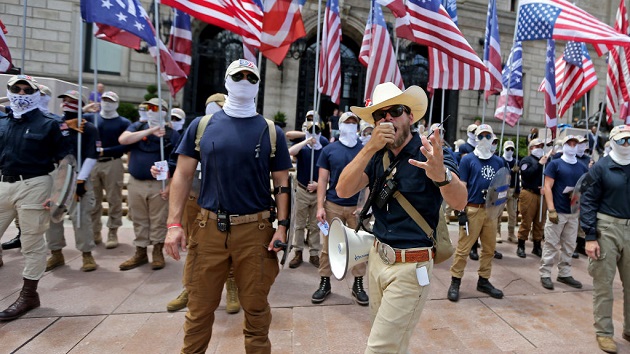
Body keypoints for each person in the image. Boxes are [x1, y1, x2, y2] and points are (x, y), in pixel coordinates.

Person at [164, 59, 292, 353]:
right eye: (239, 75)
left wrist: (282, 228)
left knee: (257, 311)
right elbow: (182, 175)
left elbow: (282, 184)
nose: (245, 80)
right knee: (199, 310)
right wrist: (173, 225)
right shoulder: (202, 126)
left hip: (255, 231)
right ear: (227, 80)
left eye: (251, 77)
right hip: (209, 229)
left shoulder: (271, 131)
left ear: (258, 84)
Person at [336, 82, 467, 353]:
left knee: (379, 348)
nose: (387, 119)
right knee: (391, 343)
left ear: (410, 116)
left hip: (412, 266)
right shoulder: (376, 155)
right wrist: (368, 148)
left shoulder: (431, 151)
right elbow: (343, 189)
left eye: (394, 111)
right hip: (377, 259)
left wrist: (441, 175)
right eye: (379, 115)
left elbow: (461, 201)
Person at [0, 75, 71, 321]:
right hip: (3, 183)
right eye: (15, 88)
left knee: (31, 242)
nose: (20, 93)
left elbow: (66, 161)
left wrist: (60, 196)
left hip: (35, 184)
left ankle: (29, 295)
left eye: (26, 89)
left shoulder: (51, 123)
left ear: (35, 94)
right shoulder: (2, 120)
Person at [164, 93, 240, 315]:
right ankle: (190, 288)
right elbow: (176, 163)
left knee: (230, 246)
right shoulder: (195, 129)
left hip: (223, 202)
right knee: (194, 245)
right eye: (217, 106)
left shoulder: (234, 132)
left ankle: (232, 286)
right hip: (194, 198)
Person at [580, 124, 630, 354]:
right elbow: (587, 202)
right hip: (606, 228)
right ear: (612, 141)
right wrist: (590, 237)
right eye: (622, 140)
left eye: (629, 140)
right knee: (604, 285)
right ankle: (604, 332)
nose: (626, 144)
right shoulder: (600, 168)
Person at [312, 111, 368, 306]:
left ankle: (358, 284)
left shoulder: (364, 151)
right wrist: (320, 207)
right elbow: (322, 180)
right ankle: (325, 282)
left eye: (354, 122)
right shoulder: (329, 150)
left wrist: (363, 206)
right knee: (327, 247)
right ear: (341, 125)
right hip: (333, 205)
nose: (351, 125)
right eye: (347, 122)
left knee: (360, 248)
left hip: (356, 208)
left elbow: (369, 183)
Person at [118, 98, 180, 271]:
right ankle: (140, 251)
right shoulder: (138, 127)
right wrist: (151, 130)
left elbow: (178, 162)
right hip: (136, 182)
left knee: (158, 219)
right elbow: (124, 140)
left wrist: (170, 185)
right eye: (150, 108)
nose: (153, 111)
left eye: (158, 108)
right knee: (138, 218)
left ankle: (158, 251)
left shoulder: (171, 134)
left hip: (158, 184)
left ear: (165, 112)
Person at [447, 124, 507, 302]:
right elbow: (462, 186)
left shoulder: (498, 161)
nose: (485, 140)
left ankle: (484, 280)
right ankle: (455, 280)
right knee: (463, 249)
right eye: (481, 136)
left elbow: (502, 185)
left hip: (490, 210)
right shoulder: (468, 160)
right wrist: (460, 210)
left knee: (489, 248)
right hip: (473, 208)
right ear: (476, 138)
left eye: (488, 136)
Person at [45, 90, 100, 272]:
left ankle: (86, 253)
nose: (67, 103)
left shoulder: (89, 128)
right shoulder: (54, 125)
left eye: (72, 101)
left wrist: (81, 180)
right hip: (57, 175)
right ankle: (56, 252)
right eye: (65, 100)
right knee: (52, 214)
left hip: (79, 175)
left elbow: (92, 155)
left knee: (81, 216)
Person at [539, 135, 588, 290]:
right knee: (551, 244)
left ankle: (564, 273)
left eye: (575, 143)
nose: (573, 146)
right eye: (570, 143)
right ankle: (545, 273)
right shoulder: (555, 164)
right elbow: (547, 187)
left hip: (573, 212)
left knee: (569, 245)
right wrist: (551, 209)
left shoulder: (582, 167)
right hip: (558, 211)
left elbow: (584, 188)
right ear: (564, 145)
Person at [87, 91, 131, 249]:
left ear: (117, 103)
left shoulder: (123, 122)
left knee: (114, 198)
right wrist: (85, 109)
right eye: (104, 100)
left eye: (110, 100)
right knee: (93, 200)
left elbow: (126, 144)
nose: (107, 103)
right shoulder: (92, 118)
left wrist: (106, 150)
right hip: (93, 163)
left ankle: (113, 231)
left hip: (113, 162)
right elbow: (69, 122)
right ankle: (95, 231)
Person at [287, 121, 329, 268]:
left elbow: (330, 169)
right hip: (302, 190)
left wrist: (319, 185)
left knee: (315, 225)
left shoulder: (324, 147)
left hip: (317, 192)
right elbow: (290, 152)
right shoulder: (303, 147)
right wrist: (306, 140)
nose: (314, 134)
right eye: (311, 131)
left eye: (316, 131)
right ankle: (298, 251)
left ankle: (313, 253)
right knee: (299, 224)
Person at [516, 138, 548, 258]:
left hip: (542, 194)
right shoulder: (527, 160)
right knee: (526, 221)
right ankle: (521, 245)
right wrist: (539, 164)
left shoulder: (546, 160)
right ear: (531, 148)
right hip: (529, 193)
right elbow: (526, 174)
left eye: (541, 146)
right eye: (537, 146)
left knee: (540, 221)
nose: (540, 148)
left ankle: (537, 245)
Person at [497, 140, 520, 244]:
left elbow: (518, 178)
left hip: (512, 188)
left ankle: (511, 233)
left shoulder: (516, 162)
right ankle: (497, 232)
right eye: (508, 149)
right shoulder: (500, 160)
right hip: (502, 189)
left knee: (512, 213)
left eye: (512, 149)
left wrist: (517, 190)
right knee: (499, 212)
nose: (510, 151)